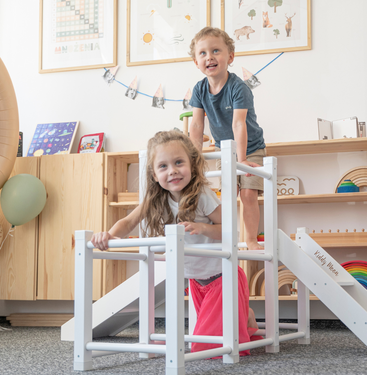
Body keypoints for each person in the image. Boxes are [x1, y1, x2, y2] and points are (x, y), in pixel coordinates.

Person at [90, 130, 259, 355]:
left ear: (191, 163)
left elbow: (231, 230)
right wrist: (109, 235)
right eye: (163, 166)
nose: (173, 171)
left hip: (223, 278)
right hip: (198, 283)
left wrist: (203, 227)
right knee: (210, 341)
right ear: (153, 173)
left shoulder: (202, 195)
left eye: (179, 162)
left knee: (207, 348)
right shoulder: (155, 199)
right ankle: (244, 315)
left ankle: (243, 314)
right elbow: (128, 222)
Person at [188, 27, 266, 251]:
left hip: (250, 148)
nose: (209, 57)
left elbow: (238, 123)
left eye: (215, 51)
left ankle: (251, 239)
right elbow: (196, 125)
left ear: (230, 57)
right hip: (225, 150)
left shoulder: (238, 88)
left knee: (248, 193)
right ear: (196, 62)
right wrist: (195, 158)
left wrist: (241, 160)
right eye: (202, 53)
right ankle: (230, 237)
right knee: (229, 196)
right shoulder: (199, 90)